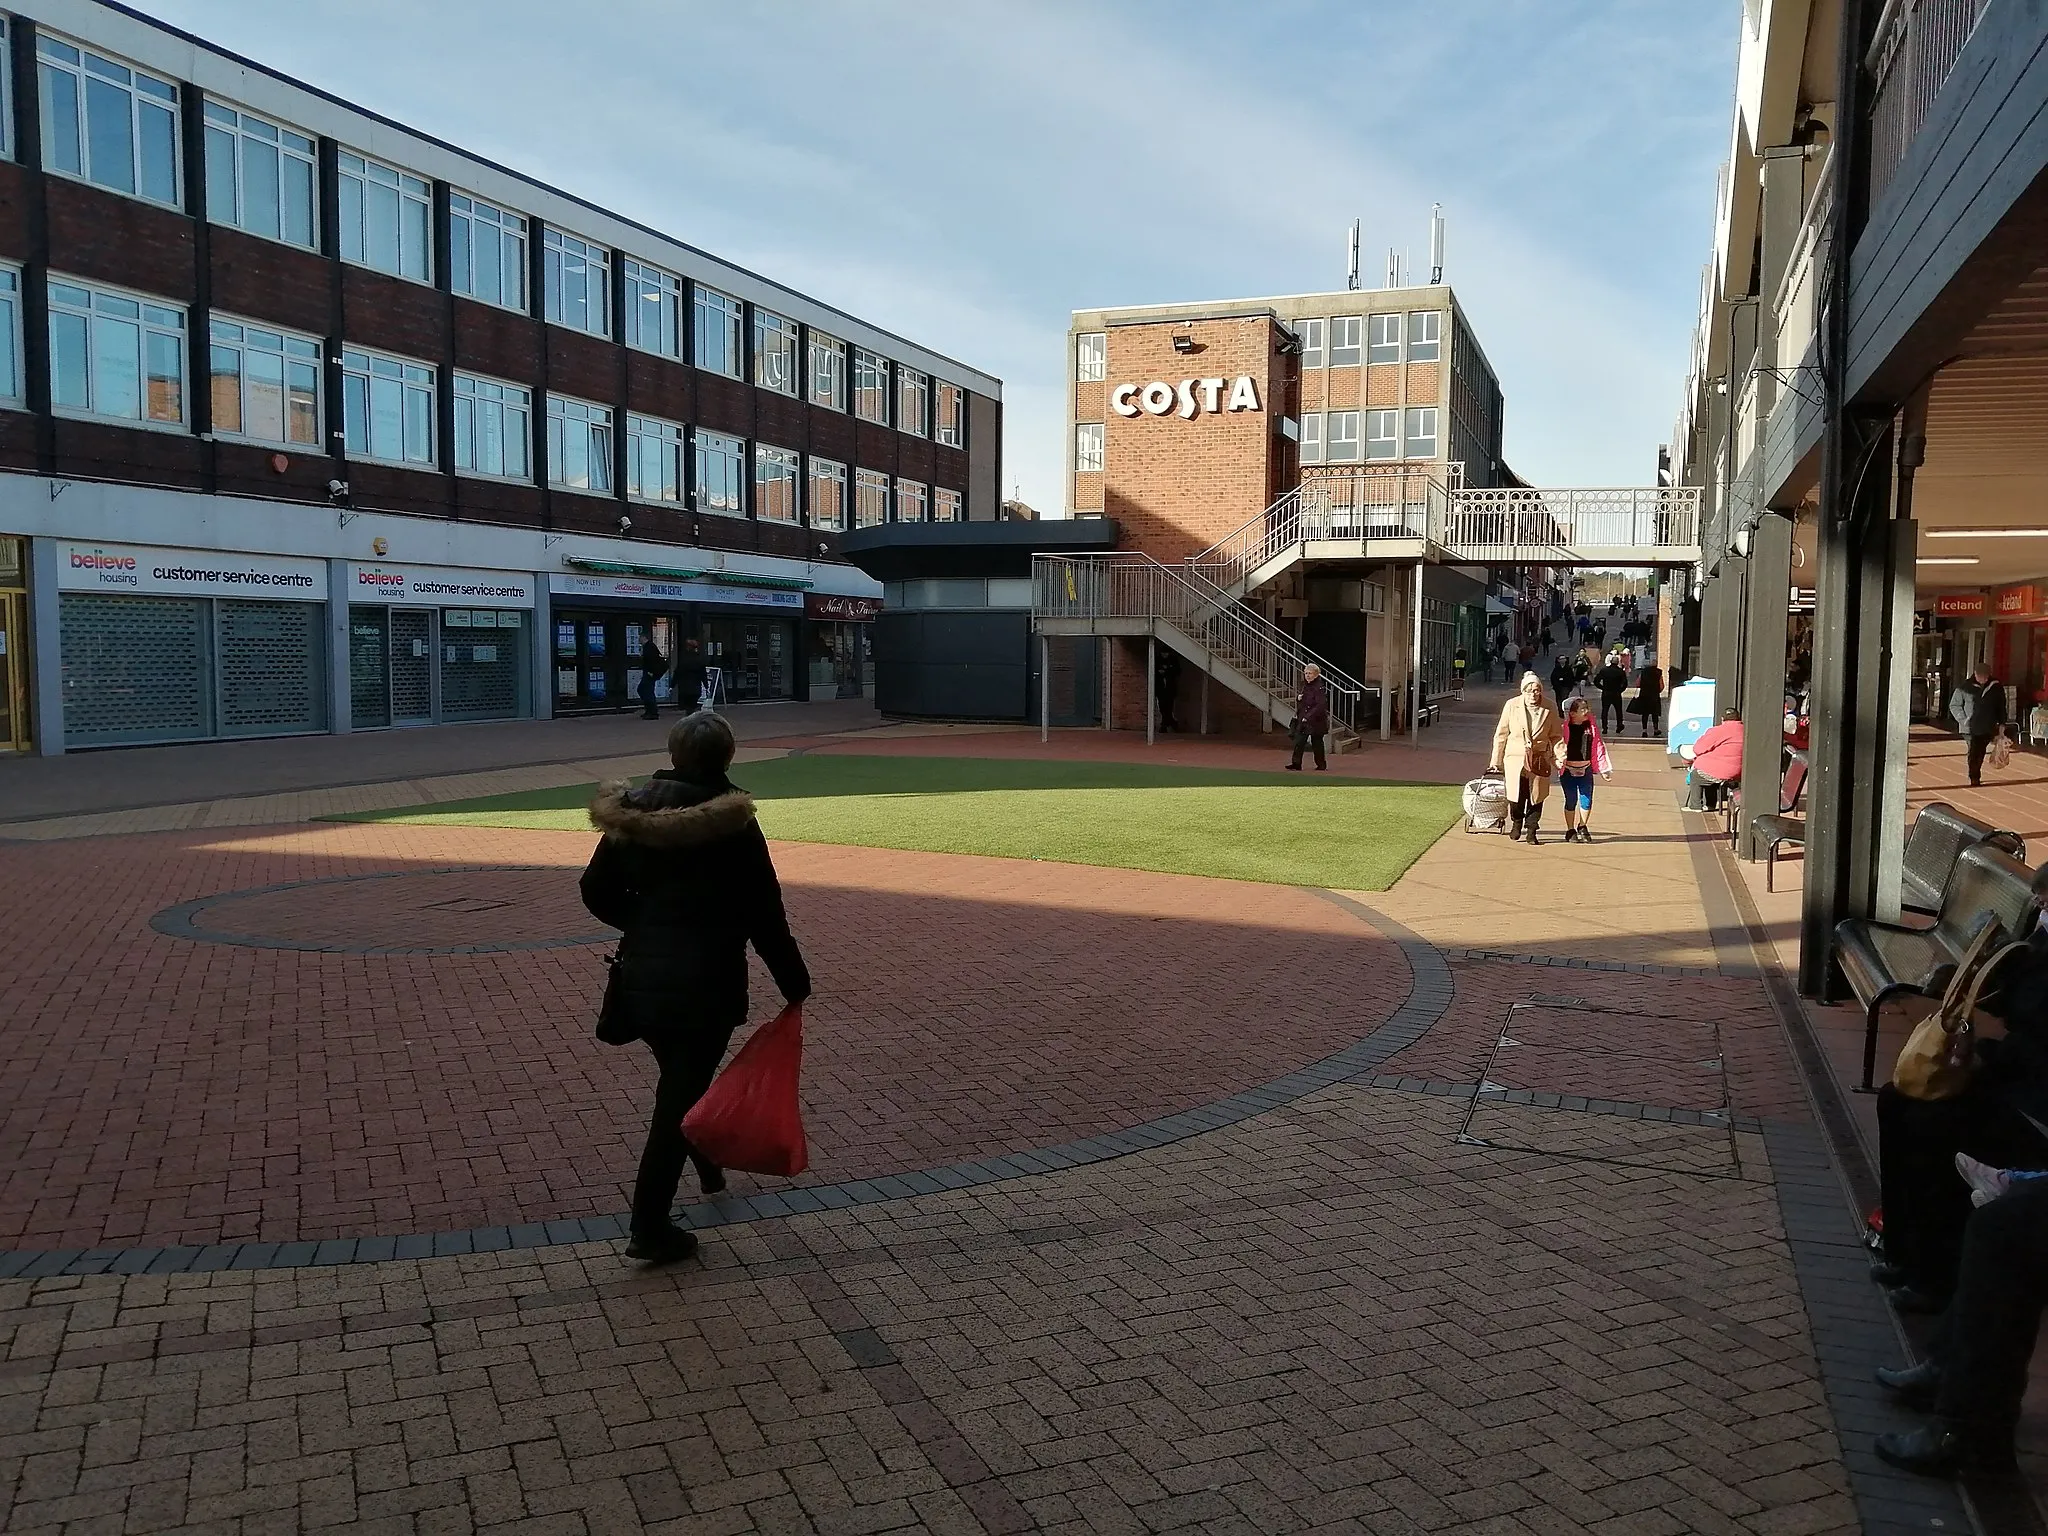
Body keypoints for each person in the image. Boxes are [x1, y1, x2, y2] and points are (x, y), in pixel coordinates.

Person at [579, 712, 812, 1266]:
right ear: (727, 759)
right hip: (706, 980)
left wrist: (644, 923)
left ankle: (706, 1170)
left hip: (644, 976)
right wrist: (793, 981)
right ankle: (649, 1226)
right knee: (678, 1099)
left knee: (681, 1080)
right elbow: (764, 911)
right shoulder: (733, 824)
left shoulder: (632, 813)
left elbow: (596, 889)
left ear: (674, 753)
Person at [1872, 937, 2048, 1477]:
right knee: (1907, 1102)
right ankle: (1944, 1353)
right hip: (2025, 1090)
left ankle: (1968, 1431)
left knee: (2005, 1230)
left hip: (2032, 1107)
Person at [1870, 931, 2048, 1313]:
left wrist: (1986, 1058)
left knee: (1935, 1125)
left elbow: (2034, 1036)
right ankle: (1903, 1249)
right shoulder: (2041, 939)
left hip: (2036, 1109)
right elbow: (2013, 1004)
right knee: (1896, 1099)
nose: (2041, 904)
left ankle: (1936, 1277)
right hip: (2018, 1081)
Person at [1489, 672, 1562, 845]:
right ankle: (1516, 822)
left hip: (1539, 758)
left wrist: (1560, 756)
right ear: (1522, 691)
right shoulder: (1511, 705)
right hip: (1515, 758)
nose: (1533, 694)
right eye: (1529, 691)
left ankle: (1531, 830)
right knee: (1516, 795)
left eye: (1536, 690)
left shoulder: (1550, 707)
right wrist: (1496, 761)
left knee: (1537, 796)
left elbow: (1556, 736)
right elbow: (1501, 734)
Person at [1553, 695, 1614, 844]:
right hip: (1568, 770)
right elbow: (1556, 746)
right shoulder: (1563, 728)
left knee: (1586, 800)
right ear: (1572, 713)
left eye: (1587, 708)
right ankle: (1570, 830)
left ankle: (1582, 825)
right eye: (1583, 709)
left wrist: (1604, 769)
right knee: (1571, 800)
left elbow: (1598, 747)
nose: (1587, 711)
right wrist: (1557, 761)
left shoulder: (1591, 727)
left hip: (1585, 769)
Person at [1953, 663, 2008, 787]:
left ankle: (1976, 771)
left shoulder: (1996, 687)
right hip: (1969, 727)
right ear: (1975, 674)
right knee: (1973, 751)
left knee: (1980, 751)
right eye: (1980, 676)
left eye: (1985, 676)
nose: (1983, 679)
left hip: (1987, 726)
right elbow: (1955, 705)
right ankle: (1974, 777)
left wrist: (2002, 723)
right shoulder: (1965, 687)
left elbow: (2001, 706)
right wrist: (1963, 719)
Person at [1288, 663, 1328, 772]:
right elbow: (1304, 702)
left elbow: (1320, 705)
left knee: (1317, 742)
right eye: (1306, 673)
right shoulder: (1305, 685)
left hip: (1316, 719)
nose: (1307, 675)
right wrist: (1299, 699)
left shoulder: (1319, 687)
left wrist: (1308, 716)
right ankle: (1296, 763)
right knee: (1299, 741)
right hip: (1304, 717)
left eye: (1310, 673)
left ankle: (1321, 764)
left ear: (1316, 674)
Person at [1593, 655, 1629, 734]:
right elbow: (1625, 684)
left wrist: (1602, 687)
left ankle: (1605, 728)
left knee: (1605, 710)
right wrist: (1620, 690)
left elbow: (1596, 681)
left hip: (1606, 692)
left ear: (1610, 662)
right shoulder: (1620, 672)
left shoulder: (1604, 670)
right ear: (1617, 663)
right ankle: (1619, 725)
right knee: (1618, 711)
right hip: (1616, 693)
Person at [672, 638, 707, 715]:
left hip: (685, 686)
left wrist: (672, 684)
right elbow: (703, 674)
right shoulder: (699, 659)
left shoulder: (684, 659)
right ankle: (692, 714)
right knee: (693, 704)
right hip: (695, 686)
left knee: (688, 706)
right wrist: (706, 685)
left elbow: (677, 672)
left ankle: (689, 716)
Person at [636, 637, 668, 720]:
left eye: (640, 639)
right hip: (649, 673)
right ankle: (649, 710)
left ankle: (652, 712)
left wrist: (651, 672)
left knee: (646, 691)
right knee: (644, 690)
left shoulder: (649, 647)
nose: (639, 641)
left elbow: (651, 660)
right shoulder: (649, 647)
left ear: (643, 638)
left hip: (650, 673)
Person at [1631, 662, 1664, 737]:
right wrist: (1657, 691)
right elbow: (1661, 685)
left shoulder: (1643, 672)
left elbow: (1637, 683)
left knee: (1645, 714)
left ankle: (1644, 730)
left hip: (1644, 695)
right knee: (1654, 714)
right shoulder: (1659, 672)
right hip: (1654, 696)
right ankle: (1655, 729)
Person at [1155, 646, 1183, 733]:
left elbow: (1178, 671)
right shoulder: (1157, 659)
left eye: (1166, 653)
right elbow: (1154, 670)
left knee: (1169, 707)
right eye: (1163, 653)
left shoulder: (1173, 660)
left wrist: (1167, 671)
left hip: (1170, 688)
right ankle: (1171, 722)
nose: (1164, 655)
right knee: (1162, 707)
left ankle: (1165, 724)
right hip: (1160, 688)